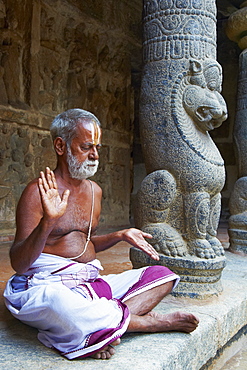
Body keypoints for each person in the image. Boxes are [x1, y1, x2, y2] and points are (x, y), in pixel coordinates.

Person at [4, 109, 199, 360]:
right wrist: (48, 222)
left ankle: (103, 327)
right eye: (86, 146)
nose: (95, 155)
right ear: (60, 146)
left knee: (163, 276)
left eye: (97, 147)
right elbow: (19, 263)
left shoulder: (95, 191)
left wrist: (120, 235)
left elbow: (83, 243)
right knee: (58, 304)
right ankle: (144, 323)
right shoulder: (37, 192)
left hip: (89, 285)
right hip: (46, 285)